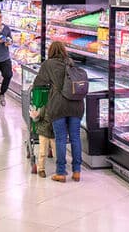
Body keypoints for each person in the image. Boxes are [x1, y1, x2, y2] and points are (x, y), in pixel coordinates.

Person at [32, 42, 85, 183]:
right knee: (75, 138)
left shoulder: (48, 64)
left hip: (58, 105)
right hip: (76, 105)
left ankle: (61, 172)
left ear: (51, 51)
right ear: (64, 51)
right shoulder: (71, 62)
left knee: (60, 138)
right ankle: (77, 171)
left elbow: (38, 83)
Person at [29, 103, 56, 178]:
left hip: (54, 133)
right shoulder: (45, 107)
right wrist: (35, 116)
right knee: (42, 152)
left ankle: (60, 168)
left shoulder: (60, 108)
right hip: (43, 131)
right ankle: (41, 169)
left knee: (57, 152)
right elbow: (38, 118)